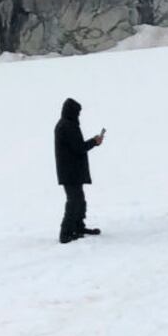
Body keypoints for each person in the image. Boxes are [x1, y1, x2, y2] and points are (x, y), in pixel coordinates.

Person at [54, 98, 104, 244]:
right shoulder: (67, 126)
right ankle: (66, 233)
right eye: (78, 112)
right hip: (70, 171)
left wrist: (93, 142)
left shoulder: (67, 124)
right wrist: (94, 142)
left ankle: (77, 227)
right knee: (74, 201)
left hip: (72, 170)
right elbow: (79, 147)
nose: (79, 115)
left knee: (79, 200)